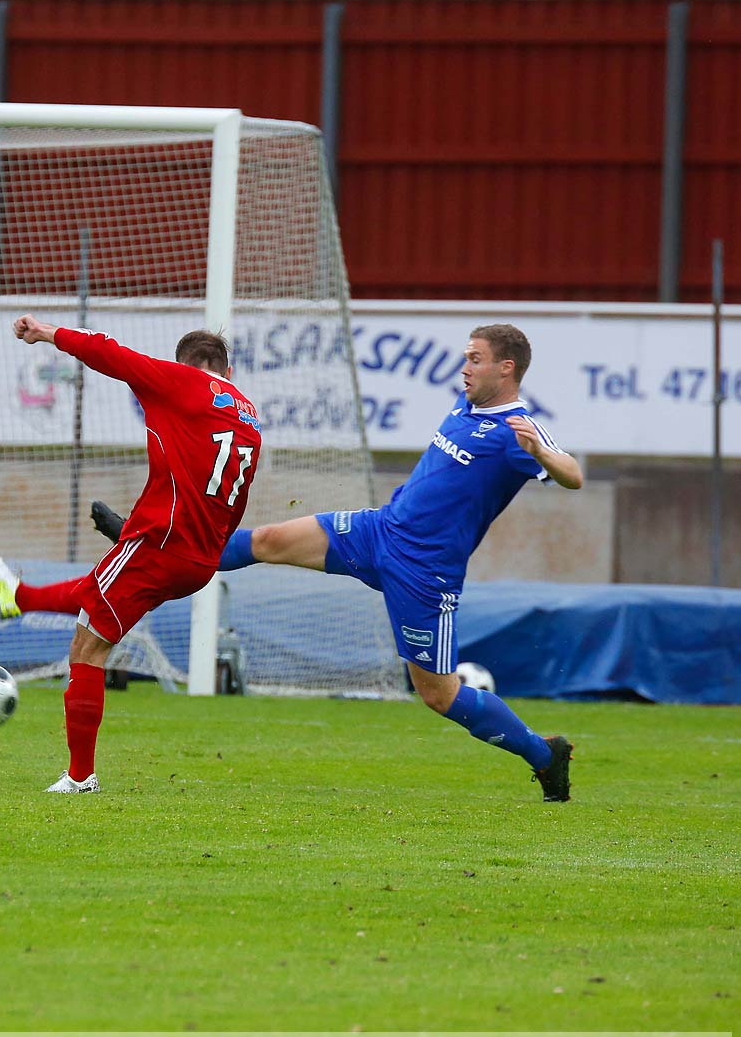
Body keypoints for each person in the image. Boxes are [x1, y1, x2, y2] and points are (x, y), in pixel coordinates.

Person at [96, 323, 583, 802]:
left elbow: (573, 475)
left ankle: (543, 754)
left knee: (438, 694)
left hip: (424, 572)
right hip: (379, 531)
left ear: (507, 367)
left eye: (475, 359)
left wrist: (541, 451)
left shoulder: (517, 430)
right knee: (268, 540)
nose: (465, 368)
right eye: (465, 357)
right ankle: (152, 542)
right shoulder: (466, 405)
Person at [0, 318, 262, 794]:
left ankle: (80, 776)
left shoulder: (183, 381)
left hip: (161, 543)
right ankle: (17, 597)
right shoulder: (251, 418)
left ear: (185, 365)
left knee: (86, 648)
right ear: (228, 370)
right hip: (199, 560)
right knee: (97, 595)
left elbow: (108, 353)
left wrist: (47, 332)